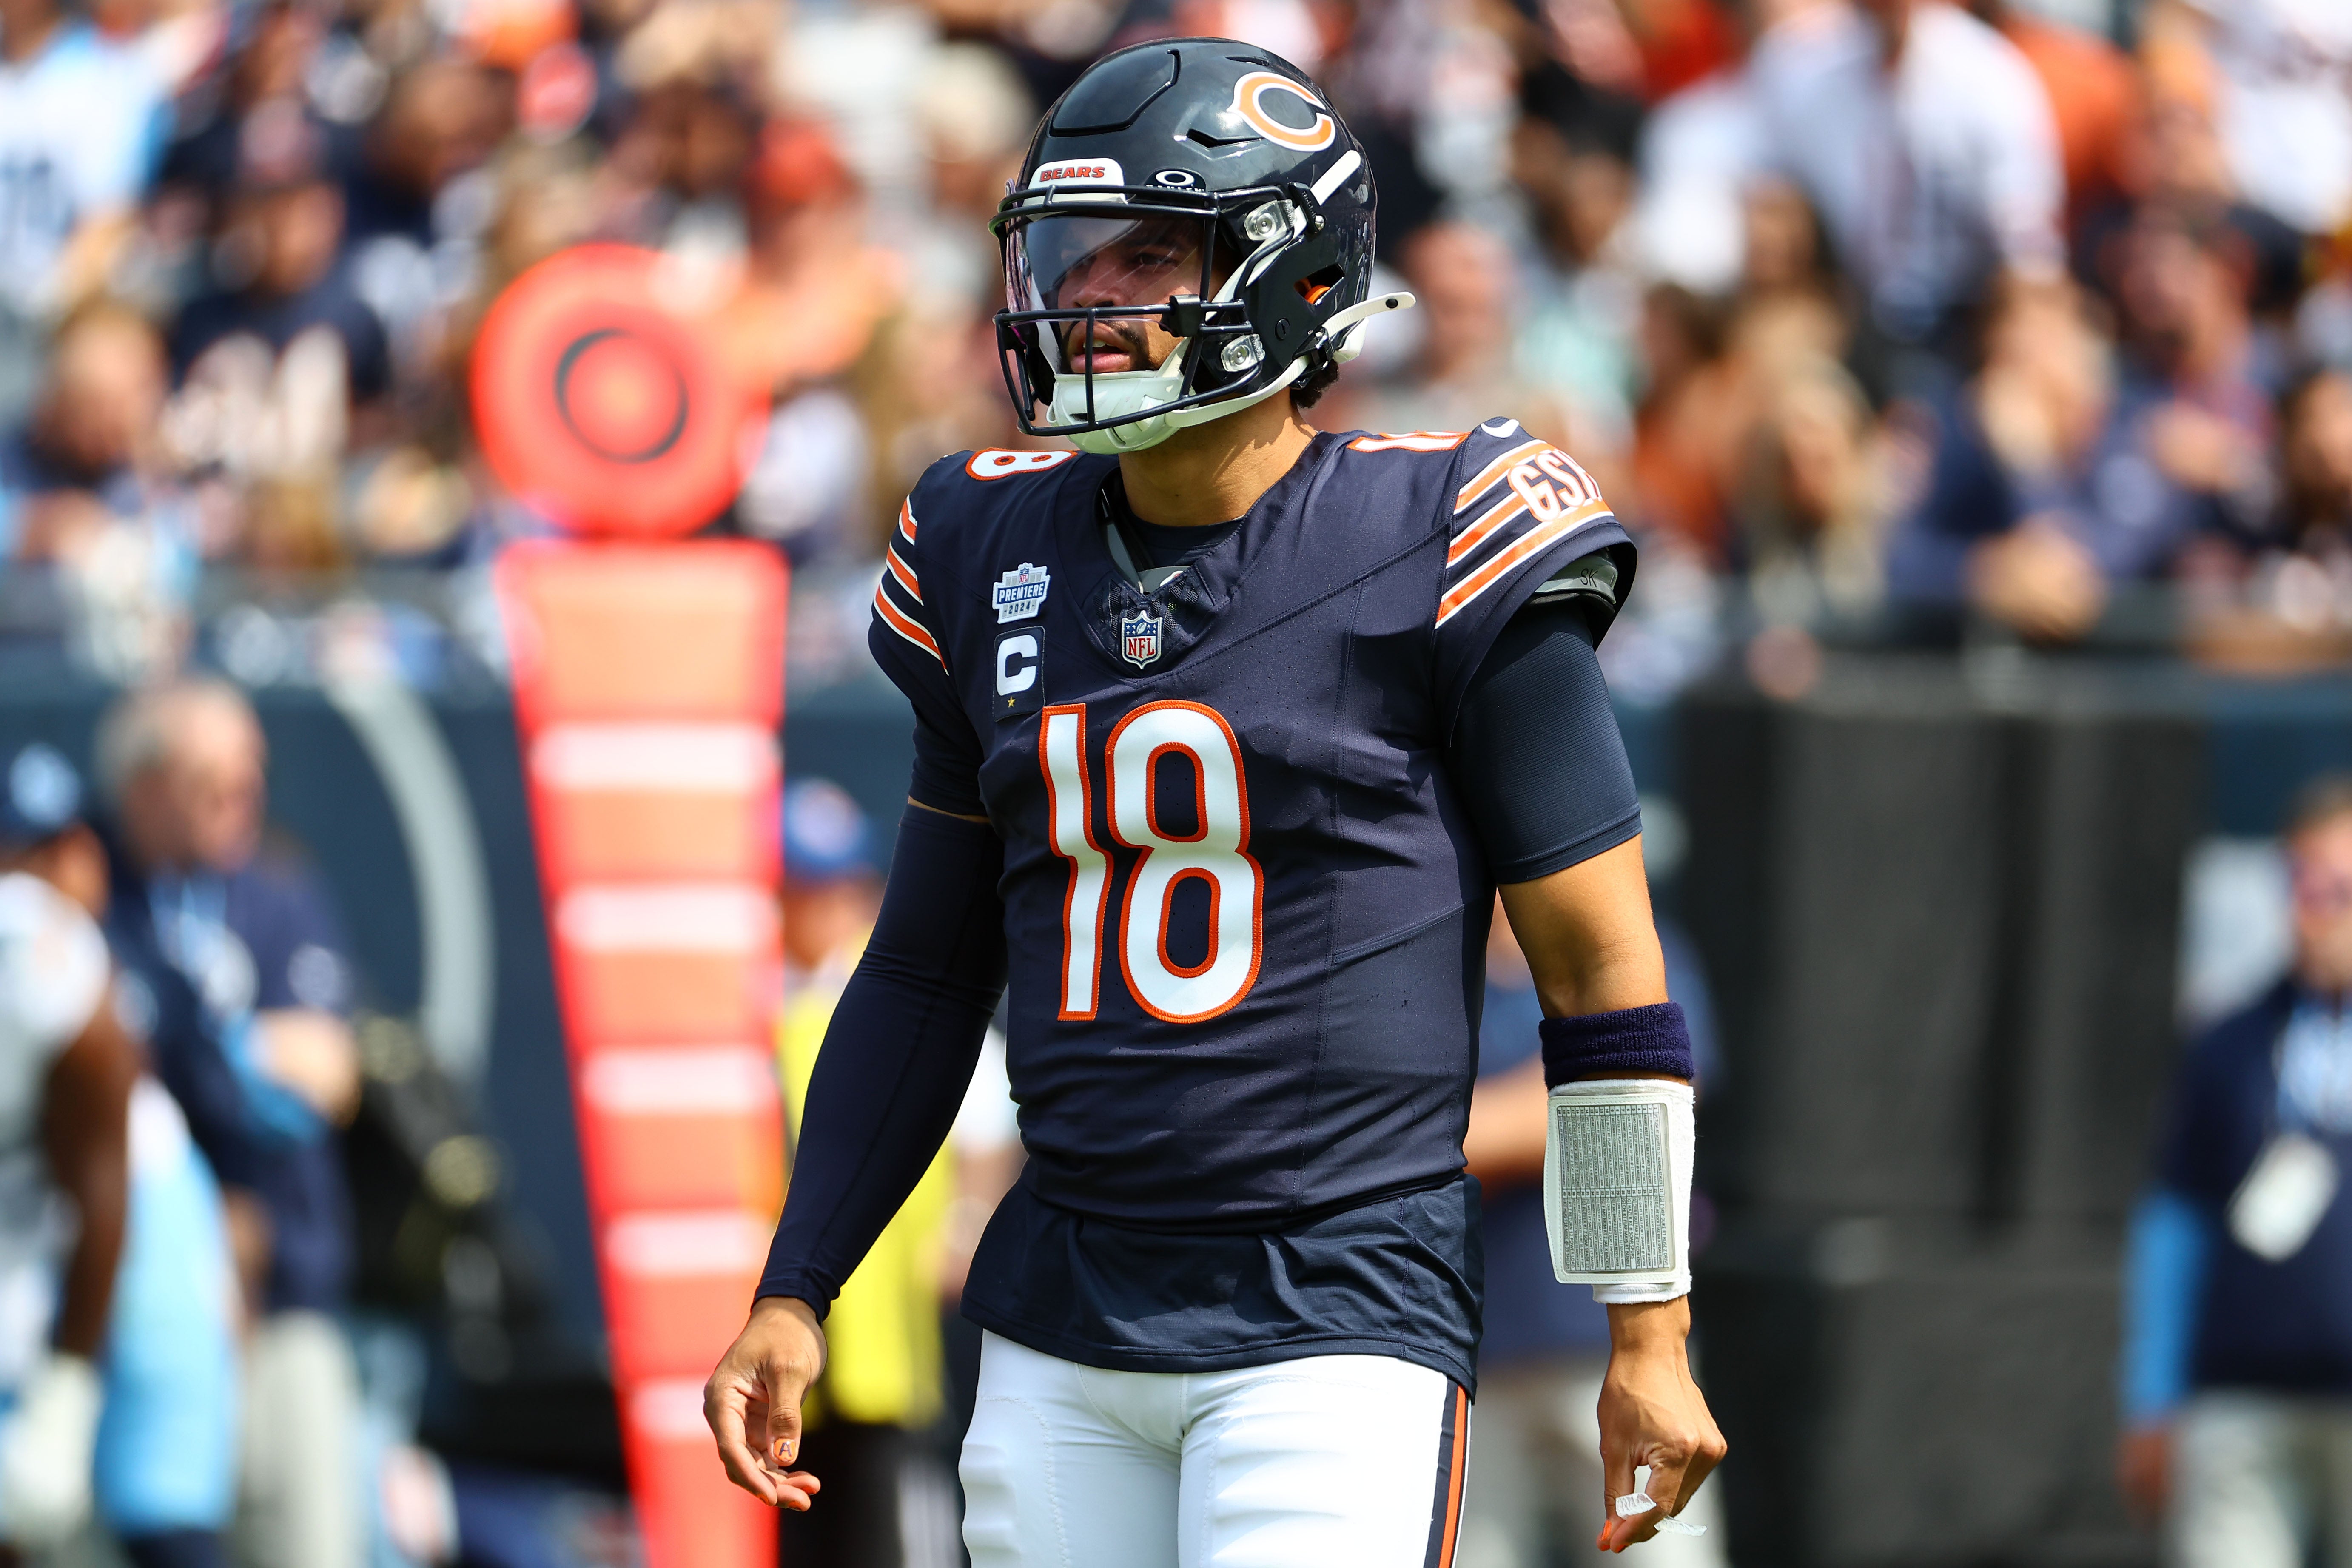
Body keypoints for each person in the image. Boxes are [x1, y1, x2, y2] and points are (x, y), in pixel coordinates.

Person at [708, 39, 1724, 1565]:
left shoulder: (1444, 526)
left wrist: (1647, 1322)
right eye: (1071, 252)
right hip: (1062, 1308)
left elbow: (1602, 972)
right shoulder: (986, 541)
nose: (1092, 296)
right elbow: (924, 964)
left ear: (1295, 276)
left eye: (1150, 253)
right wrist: (800, 1281)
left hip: (1334, 1305)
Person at [93, 680, 365, 1568]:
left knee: (304, 1540)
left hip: (284, 1289)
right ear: (146, 785)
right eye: (215, 779)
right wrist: (245, 1052)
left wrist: (211, 1049)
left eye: (254, 777)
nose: (242, 798)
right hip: (133, 1311)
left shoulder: (275, 891)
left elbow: (331, 1070)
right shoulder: (94, 891)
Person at [0, 742, 240, 1568]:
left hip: (131, 1213)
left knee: (162, 1525)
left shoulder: (35, 959)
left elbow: (103, 1197)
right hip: (25, 1228)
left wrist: (64, 1398)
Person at [2119, 774, 2352, 1568]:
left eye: (2340, 888)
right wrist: (2151, 1399)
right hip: (2241, 1399)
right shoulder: (2229, 1044)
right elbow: (2172, 1227)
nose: (2315, 910)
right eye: (2300, 883)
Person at [1459, 896, 1728, 1568]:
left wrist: (1456, 1134)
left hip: (1613, 1353)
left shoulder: (1630, 933)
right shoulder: (1433, 958)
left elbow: (1654, 1086)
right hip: (1464, 1358)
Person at [771, 778, 959, 1568]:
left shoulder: (878, 1003)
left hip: (868, 1353)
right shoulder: (800, 1009)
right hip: (822, 1352)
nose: (835, 904)